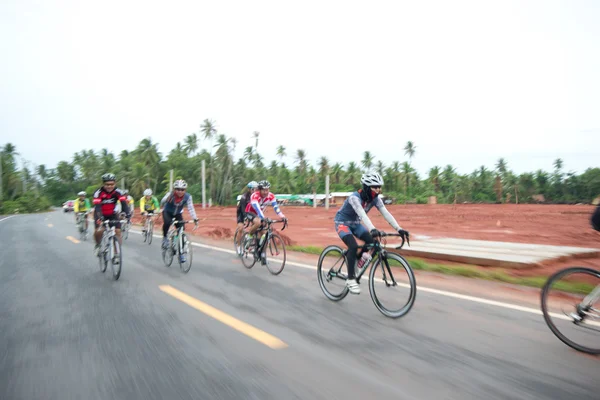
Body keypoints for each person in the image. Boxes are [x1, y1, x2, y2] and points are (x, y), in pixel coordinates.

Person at [333, 173, 409, 294]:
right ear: (367, 187)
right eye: (375, 187)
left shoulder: (375, 199)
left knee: (373, 243)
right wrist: (373, 229)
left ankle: (356, 261)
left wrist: (399, 229)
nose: (378, 189)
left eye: (379, 187)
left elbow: (386, 213)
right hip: (342, 223)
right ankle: (350, 279)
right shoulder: (354, 198)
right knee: (352, 246)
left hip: (356, 224)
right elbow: (362, 213)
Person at [244, 180, 286, 262]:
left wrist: (282, 216)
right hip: (250, 212)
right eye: (264, 190)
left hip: (260, 214)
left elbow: (276, 207)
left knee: (264, 234)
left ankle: (261, 253)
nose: (266, 192)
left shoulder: (271, 196)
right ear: (259, 190)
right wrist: (263, 218)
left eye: (267, 190)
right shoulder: (255, 195)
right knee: (258, 222)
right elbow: (257, 208)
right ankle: (249, 236)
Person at [92, 173, 131, 258]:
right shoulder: (98, 193)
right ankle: (98, 245)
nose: (109, 186)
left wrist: (127, 215)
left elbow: (124, 204)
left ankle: (117, 252)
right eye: (107, 184)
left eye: (112, 184)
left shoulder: (118, 192)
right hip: (100, 214)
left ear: (115, 183)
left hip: (112, 214)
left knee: (117, 231)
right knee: (99, 230)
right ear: (103, 184)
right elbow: (98, 207)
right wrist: (100, 218)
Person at [160, 179, 199, 262]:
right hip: (167, 212)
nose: (180, 191)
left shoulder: (188, 197)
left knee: (182, 231)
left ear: (185, 190)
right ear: (174, 189)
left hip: (178, 213)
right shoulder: (170, 195)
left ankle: (181, 253)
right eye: (177, 189)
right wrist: (166, 200)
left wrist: (195, 218)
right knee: (167, 222)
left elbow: (191, 208)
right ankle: (165, 238)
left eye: (182, 190)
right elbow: (162, 202)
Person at [235, 181, 258, 254]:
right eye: (253, 189)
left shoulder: (256, 197)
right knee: (241, 228)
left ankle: (252, 243)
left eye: (256, 189)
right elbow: (243, 210)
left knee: (257, 226)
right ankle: (238, 247)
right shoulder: (244, 197)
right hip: (241, 213)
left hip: (251, 213)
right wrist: (246, 218)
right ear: (249, 189)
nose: (255, 191)